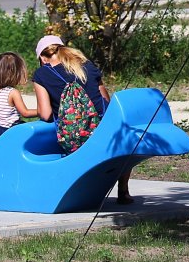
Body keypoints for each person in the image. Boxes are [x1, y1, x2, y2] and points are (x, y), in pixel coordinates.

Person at [32, 34, 131, 204]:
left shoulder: (42, 73)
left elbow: (46, 114)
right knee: (123, 142)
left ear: (42, 57)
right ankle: (123, 190)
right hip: (105, 128)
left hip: (76, 134)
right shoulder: (87, 65)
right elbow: (105, 100)